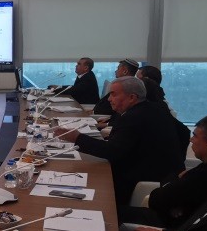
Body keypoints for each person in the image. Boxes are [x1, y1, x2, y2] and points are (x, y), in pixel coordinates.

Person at [57, 77, 184, 205]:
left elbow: (112, 151)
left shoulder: (134, 117)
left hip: (142, 181)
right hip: (161, 172)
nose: (109, 99)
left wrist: (77, 137)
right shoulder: (151, 108)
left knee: (82, 184)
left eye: (113, 94)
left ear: (132, 97)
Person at [142, 114, 207, 227]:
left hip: (167, 227)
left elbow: (156, 199)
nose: (191, 139)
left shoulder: (206, 175)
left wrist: (177, 178)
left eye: (195, 136)